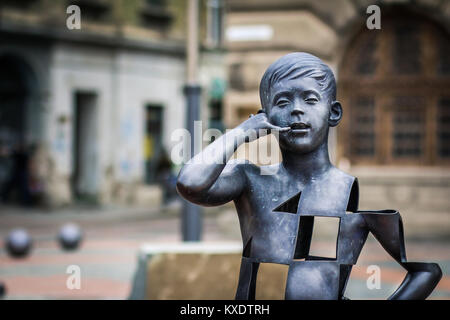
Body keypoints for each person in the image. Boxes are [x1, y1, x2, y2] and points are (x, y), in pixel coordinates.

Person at [177, 52, 441, 299]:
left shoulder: (344, 188)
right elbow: (190, 184)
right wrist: (240, 132)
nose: (296, 110)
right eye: (282, 101)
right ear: (265, 117)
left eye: (310, 99)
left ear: (333, 113)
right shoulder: (249, 178)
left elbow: (426, 272)